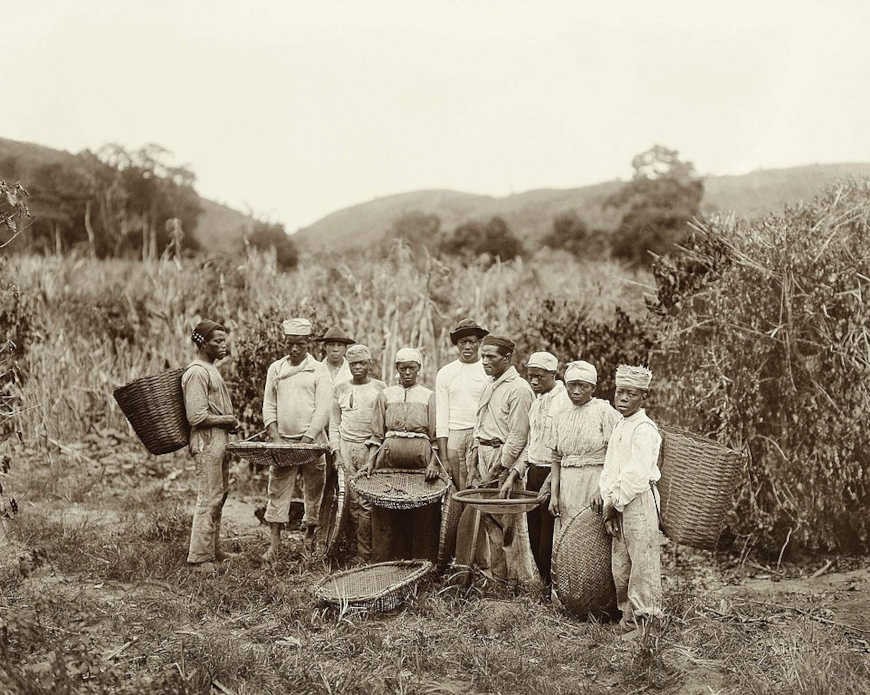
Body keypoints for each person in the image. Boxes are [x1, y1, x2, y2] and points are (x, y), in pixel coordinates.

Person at [592, 364, 663, 637]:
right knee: (621, 561)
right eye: (620, 392)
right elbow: (610, 468)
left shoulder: (645, 429)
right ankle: (629, 618)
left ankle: (649, 620)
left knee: (642, 561)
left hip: (638, 501)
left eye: (630, 394)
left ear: (643, 397)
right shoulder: (622, 425)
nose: (622, 398)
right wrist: (608, 496)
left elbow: (636, 474)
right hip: (619, 501)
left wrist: (615, 502)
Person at [466, 335, 540, 585]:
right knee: (490, 519)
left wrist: (500, 471)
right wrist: (475, 460)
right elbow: (481, 423)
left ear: (507, 358)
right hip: (486, 454)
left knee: (510, 524)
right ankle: (499, 580)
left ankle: (519, 582)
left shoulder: (519, 389)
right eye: (483, 356)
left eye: (491, 357)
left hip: (504, 461)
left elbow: (519, 437)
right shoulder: (491, 383)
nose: (484, 360)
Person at [261, 318, 333, 562]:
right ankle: (274, 545)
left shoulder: (318, 370)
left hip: (312, 442)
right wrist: (275, 436)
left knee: (314, 489)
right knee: (277, 488)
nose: (294, 349)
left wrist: (308, 437)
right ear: (285, 342)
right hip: (284, 442)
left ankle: (310, 538)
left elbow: (323, 408)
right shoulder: (276, 369)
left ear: (308, 343)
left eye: (300, 344)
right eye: (290, 344)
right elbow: (269, 405)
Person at [499, 351, 572, 580]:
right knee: (534, 535)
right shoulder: (537, 401)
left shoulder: (564, 401)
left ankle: (557, 589)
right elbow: (532, 445)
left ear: (553, 374)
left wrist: (552, 484)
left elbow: (562, 449)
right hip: (535, 473)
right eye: (530, 376)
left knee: (550, 539)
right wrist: (514, 474)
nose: (534, 381)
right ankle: (544, 585)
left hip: (555, 474)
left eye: (539, 377)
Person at [363, 347, 441, 561]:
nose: (407, 372)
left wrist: (433, 464)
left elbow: (435, 435)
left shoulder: (428, 396)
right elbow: (377, 433)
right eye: (403, 368)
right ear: (396, 368)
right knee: (386, 507)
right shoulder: (386, 395)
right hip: (388, 459)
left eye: (412, 368)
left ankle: (421, 562)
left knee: (422, 510)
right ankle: (385, 562)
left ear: (419, 370)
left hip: (421, 460)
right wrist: (371, 461)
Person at [182, 320, 239, 572]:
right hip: (207, 441)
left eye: (224, 341)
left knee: (219, 494)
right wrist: (227, 419)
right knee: (209, 496)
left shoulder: (210, 369)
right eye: (217, 341)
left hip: (218, 439)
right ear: (201, 343)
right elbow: (195, 416)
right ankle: (199, 558)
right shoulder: (196, 372)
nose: (223, 346)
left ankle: (212, 549)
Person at [548, 360, 621, 542]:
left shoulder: (604, 412)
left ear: (593, 388)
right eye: (571, 385)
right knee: (569, 539)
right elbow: (556, 458)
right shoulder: (559, 415)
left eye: (583, 386)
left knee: (594, 537)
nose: (576, 391)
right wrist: (554, 495)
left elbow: (616, 455)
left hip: (595, 481)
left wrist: (602, 489)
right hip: (568, 485)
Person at [329, 344, 385, 561]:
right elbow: (334, 424)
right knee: (350, 502)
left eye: (362, 363)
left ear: (369, 364)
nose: (358, 368)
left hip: (370, 448)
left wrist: (375, 453)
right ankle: (354, 551)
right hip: (345, 446)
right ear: (348, 365)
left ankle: (369, 553)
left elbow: (382, 424)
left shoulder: (380, 389)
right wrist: (336, 452)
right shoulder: (340, 389)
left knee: (367, 501)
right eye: (353, 364)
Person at [435, 319, 489, 491]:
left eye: (471, 342)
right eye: (462, 342)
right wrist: (443, 458)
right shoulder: (446, 373)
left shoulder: (488, 371)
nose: (467, 347)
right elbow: (441, 418)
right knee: (458, 491)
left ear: (479, 343)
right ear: (456, 345)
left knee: (480, 488)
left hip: (481, 436)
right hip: (454, 437)